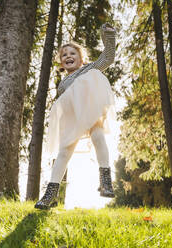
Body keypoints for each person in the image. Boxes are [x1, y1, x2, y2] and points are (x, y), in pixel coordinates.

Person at [35, 23, 117, 210]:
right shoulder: (63, 83)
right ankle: (50, 194)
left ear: (82, 60)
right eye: (64, 55)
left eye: (73, 54)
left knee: (98, 135)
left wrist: (108, 35)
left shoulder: (87, 69)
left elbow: (108, 58)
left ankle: (105, 180)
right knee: (63, 152)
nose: (68, 57)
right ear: (61, 63)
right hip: (72, 119)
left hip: (90, 111)